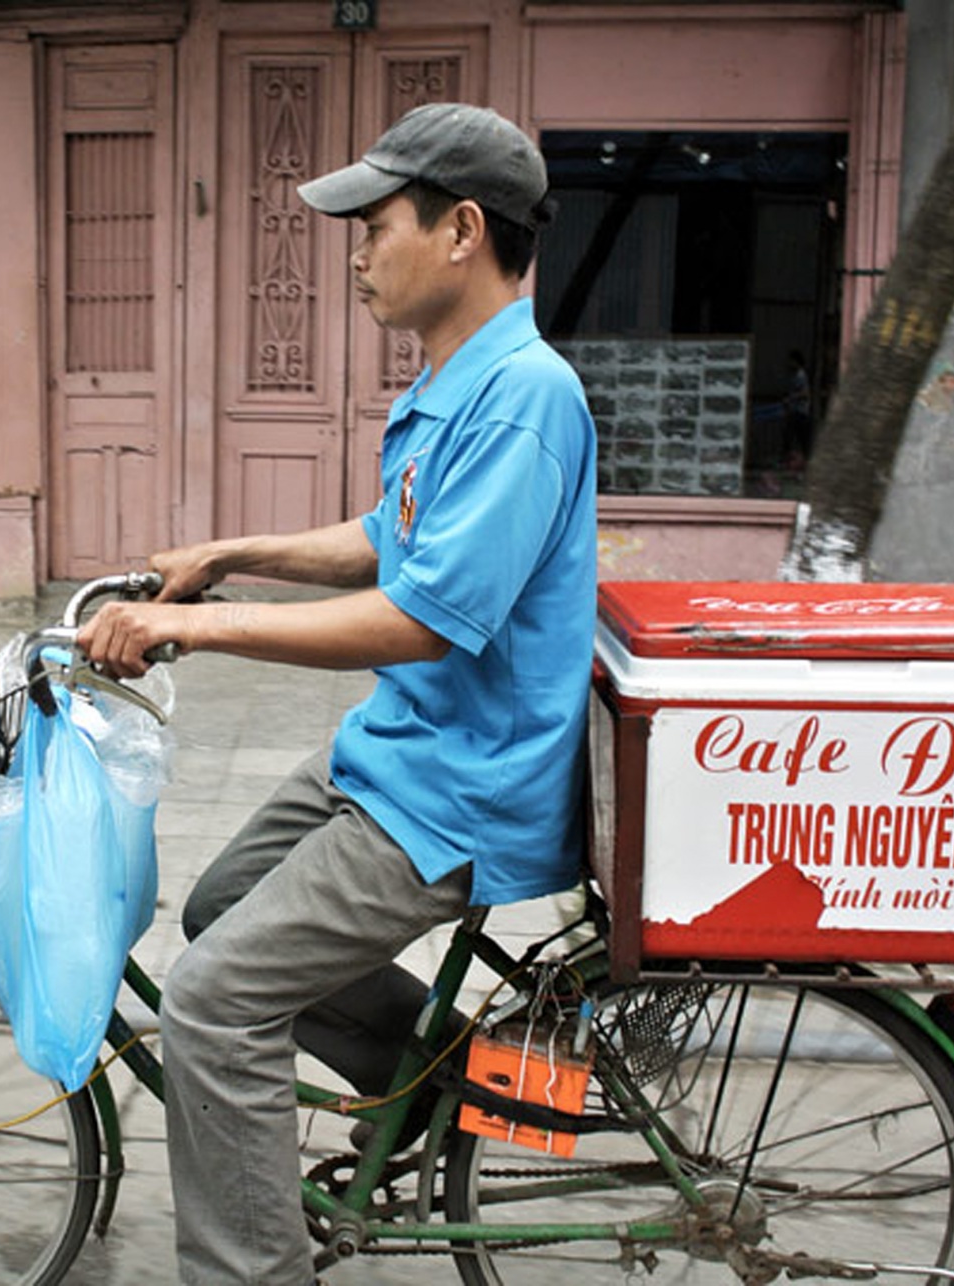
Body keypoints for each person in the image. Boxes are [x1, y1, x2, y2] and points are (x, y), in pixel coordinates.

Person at [77, 101, 597, 1285]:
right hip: (401, 755)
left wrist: (195, 627)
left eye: (377, 226)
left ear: (462, 230)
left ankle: (252, 1270)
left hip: (458, 789)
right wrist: (229, 551)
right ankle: (431, 1079)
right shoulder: (457, 385)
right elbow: (389, 540)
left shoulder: (524, 398)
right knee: (218, 906)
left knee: (210, 1003)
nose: (357, 254)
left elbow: (420, 619)